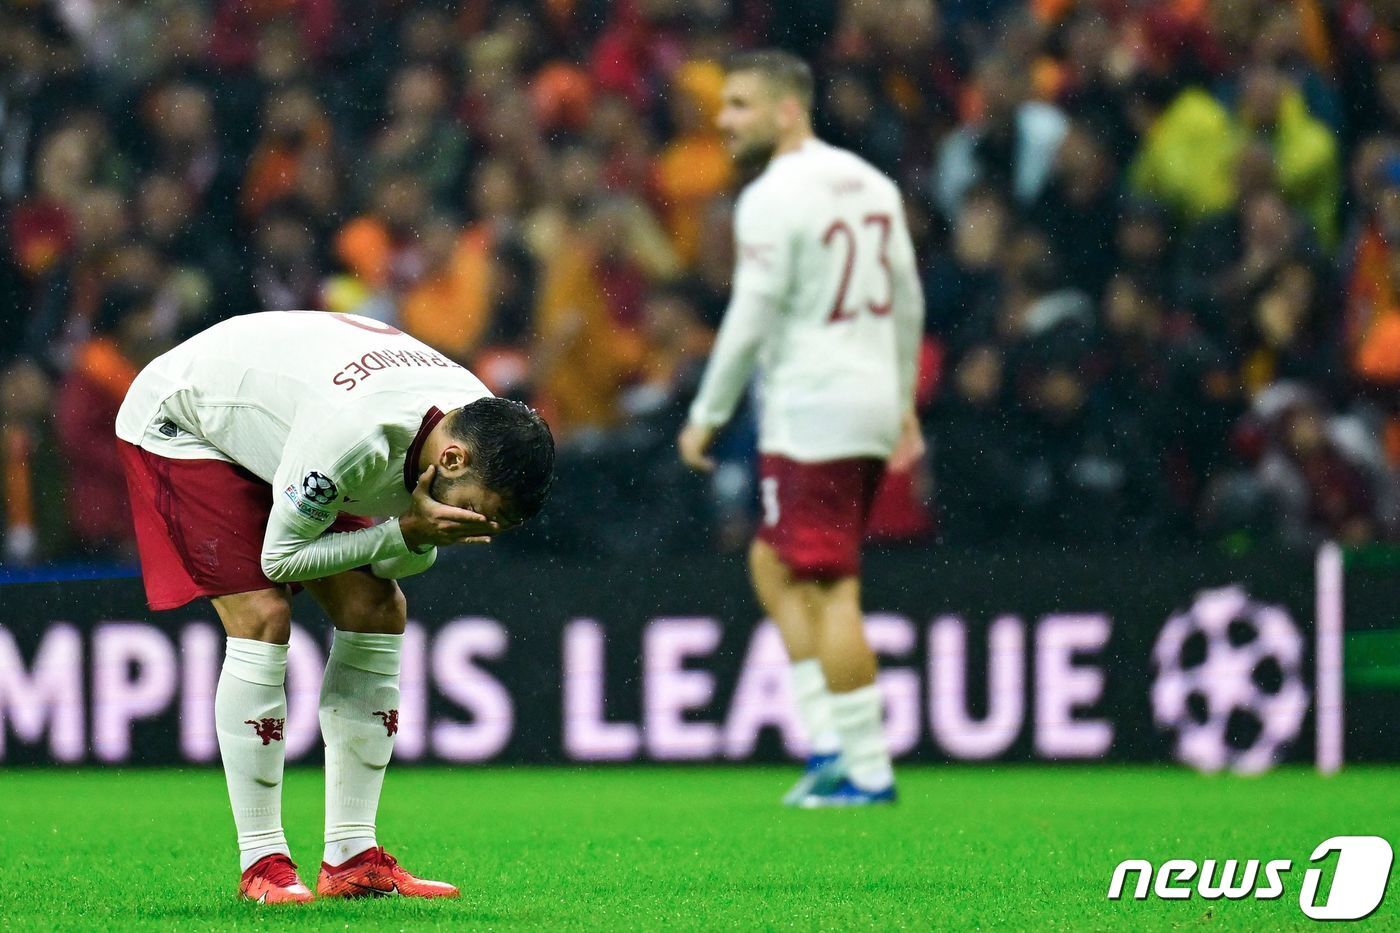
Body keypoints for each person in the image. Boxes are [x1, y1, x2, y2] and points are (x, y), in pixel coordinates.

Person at [114, 310, 554, 903]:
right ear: (450, 461)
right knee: (263, 615)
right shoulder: (358, 438)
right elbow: (281, 560)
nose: (484, 526)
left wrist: (413, 535)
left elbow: (401, 556)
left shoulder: (475, 426)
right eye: (484, 510)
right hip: (188, 420)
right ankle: (262, 865)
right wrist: (404, 533)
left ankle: (352, 858)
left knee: (376, 608)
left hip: (289, 428)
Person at [678, 51, 925, 807]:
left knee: (828, 583)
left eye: (742, 105)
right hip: (870, 394)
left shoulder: (772, 196)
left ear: (790, 109)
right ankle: (827, 742)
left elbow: (750, 315)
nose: (725, 121)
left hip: (813, 404)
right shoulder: (872, 184)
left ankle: (867, 769)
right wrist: (905, 397)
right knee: (773, 560)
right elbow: (908, 297)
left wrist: (706, 415)